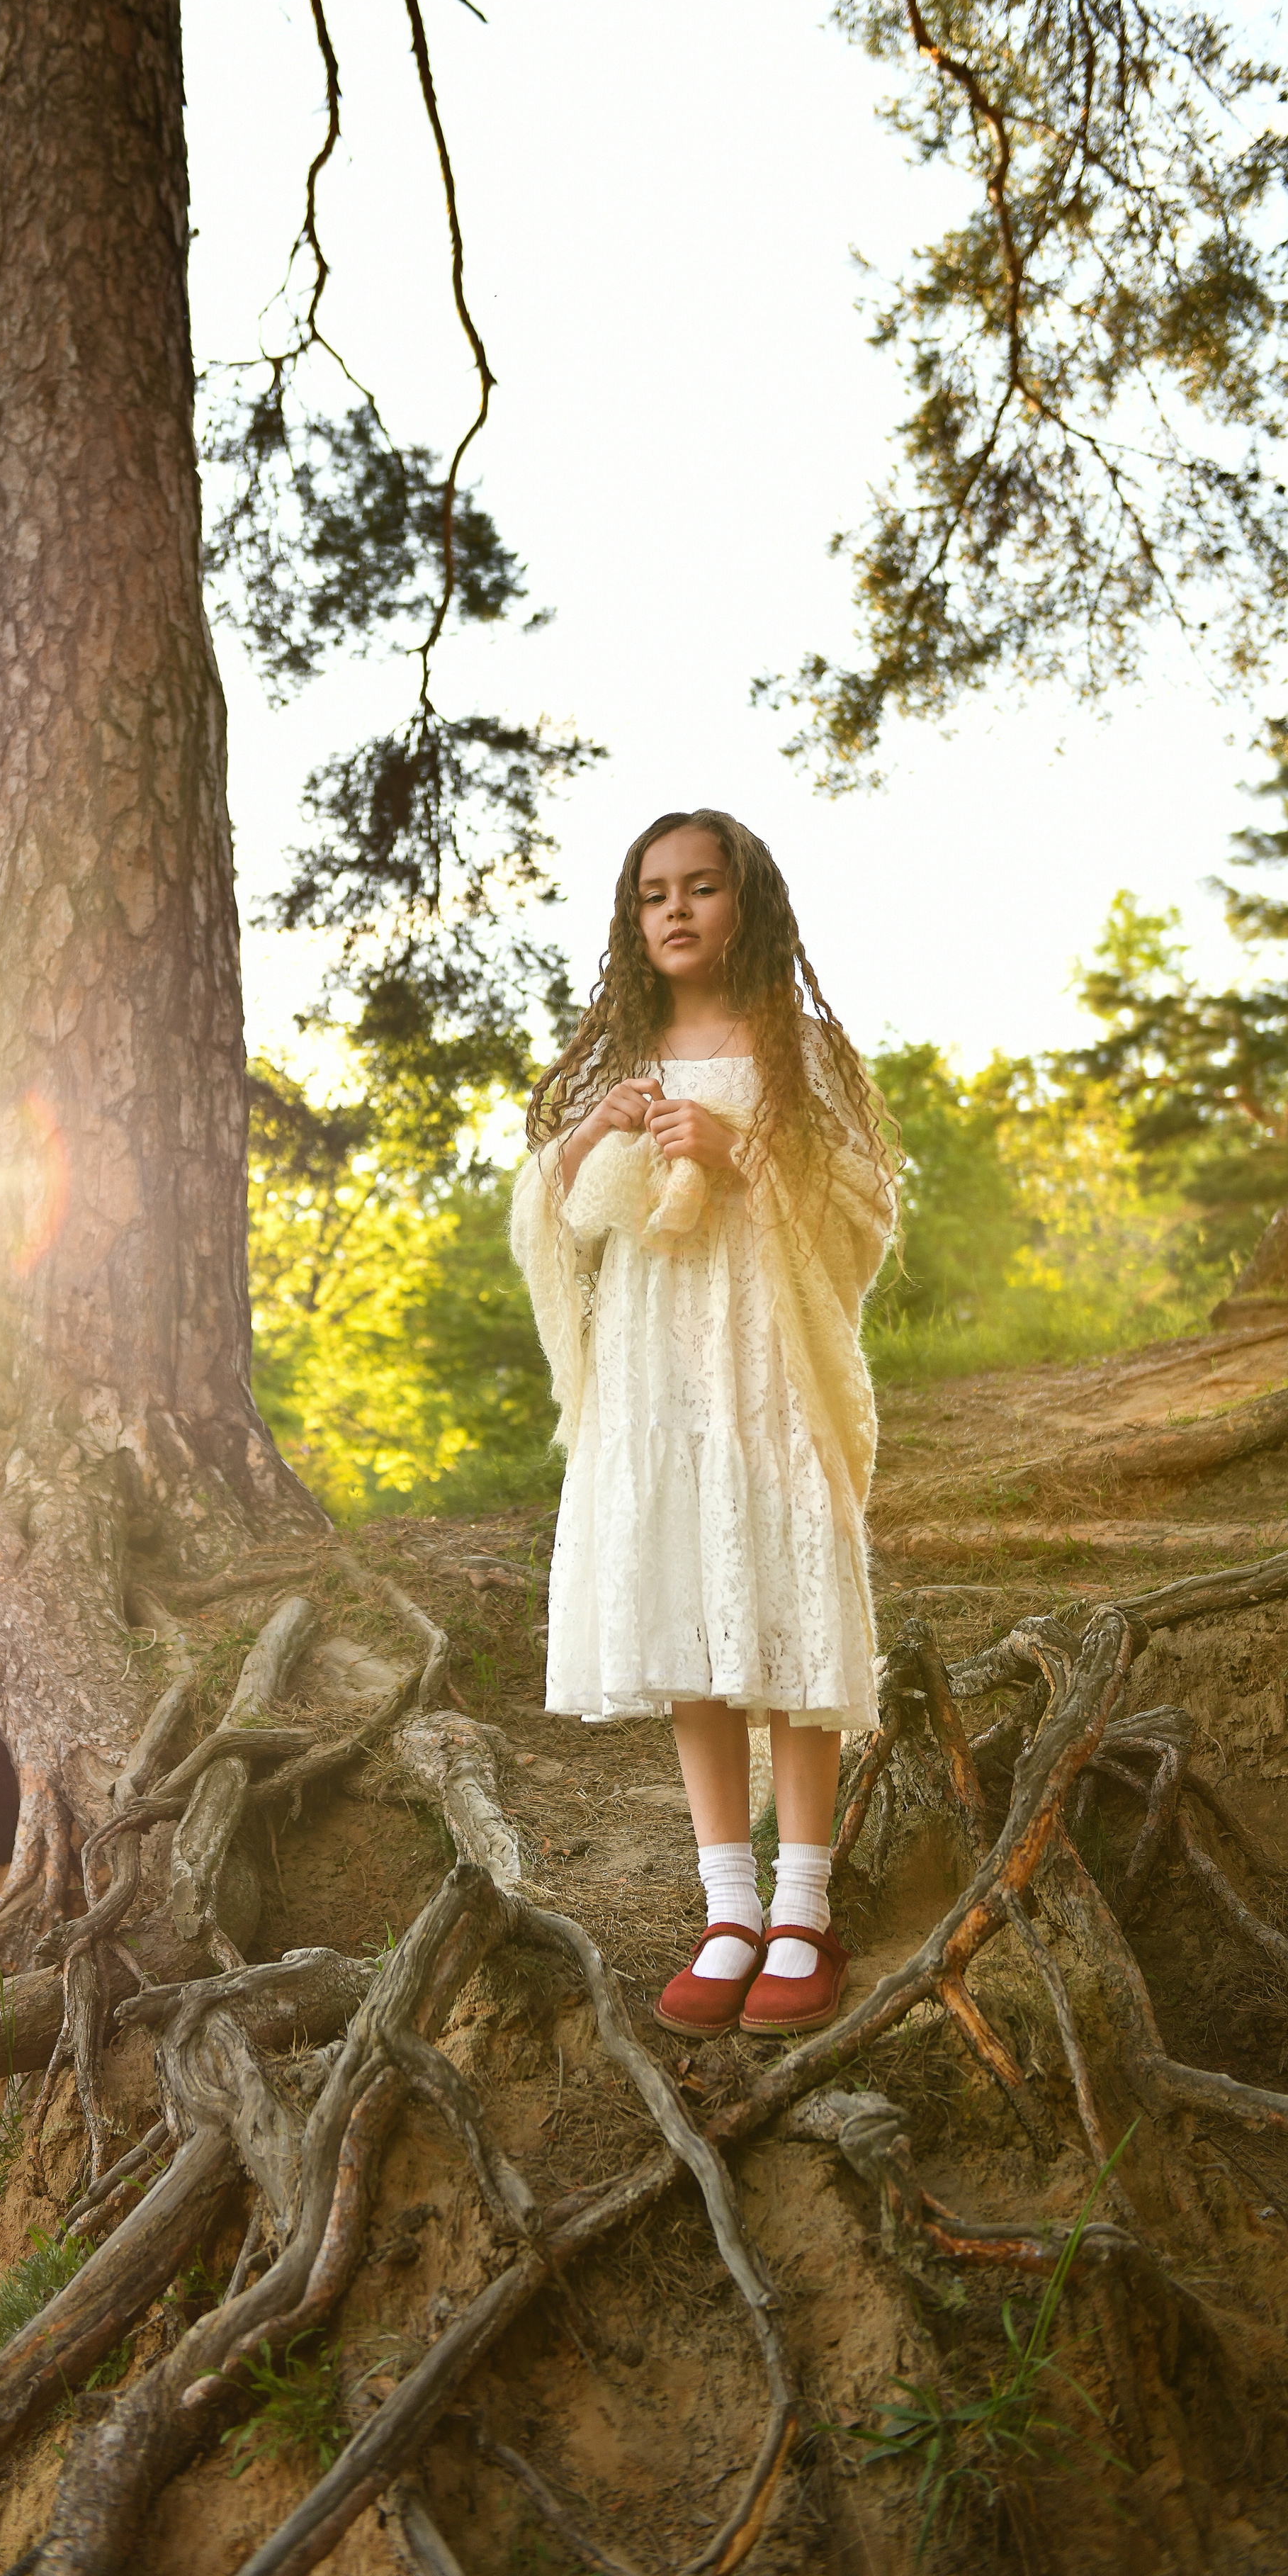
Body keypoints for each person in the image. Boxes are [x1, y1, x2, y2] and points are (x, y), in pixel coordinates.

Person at [511, 809, 898, 2039]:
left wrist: (745, 1156)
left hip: (766, 1370)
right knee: (693, 1617)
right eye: (651, 895)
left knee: (782, 1614)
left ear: (750, 905)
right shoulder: (618, 1060)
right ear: (633, 922)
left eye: (701, 888)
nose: (674, 911)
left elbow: (864, 1208)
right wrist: (590, 1137)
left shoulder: (807, 1053)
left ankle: (804, 1907)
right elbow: (557, 1221)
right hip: (654, 1381)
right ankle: (727, 1903)